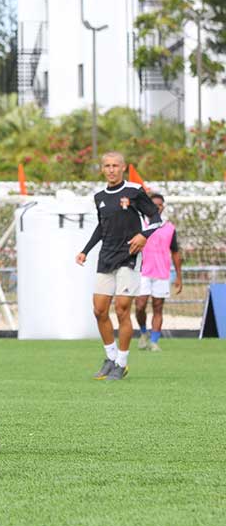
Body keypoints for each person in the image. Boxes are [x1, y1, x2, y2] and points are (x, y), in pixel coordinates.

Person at [76, 152, 161, 381]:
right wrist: (85, 250)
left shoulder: (134, 191)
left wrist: (144, 236)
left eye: (115, 165)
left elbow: (156, 218)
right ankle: (110, 358)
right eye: (107, 166)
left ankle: (122, 364)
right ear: (102, 169)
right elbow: (102, 227)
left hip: (129, 256)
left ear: (123, 167)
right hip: (106, 257)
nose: (111, 169)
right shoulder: (99, 196)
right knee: (99, 310)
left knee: (122, 308)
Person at [135, 193, 182, 352]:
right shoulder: (141, 224)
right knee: (140, 305)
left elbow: (175, 252)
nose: (156, 207)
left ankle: (154, 342)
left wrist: (179, 277)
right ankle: (143, 332)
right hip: (142, 272)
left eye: (159, 205)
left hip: (162, 274)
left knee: (158, 307)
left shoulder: (169, 228)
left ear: (163, 207)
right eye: (153, 204)